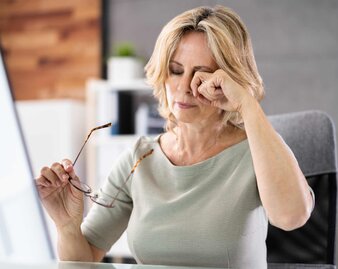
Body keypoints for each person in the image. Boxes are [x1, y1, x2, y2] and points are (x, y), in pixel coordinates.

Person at [36, 5, 314, 268]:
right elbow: (84, 258)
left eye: (202, 75)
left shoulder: (258, 149)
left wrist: (247, 104)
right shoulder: (139, 158)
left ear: (229, 81)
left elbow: (291, 216)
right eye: (175, 70)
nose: (183, 87)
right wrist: (66, 226)